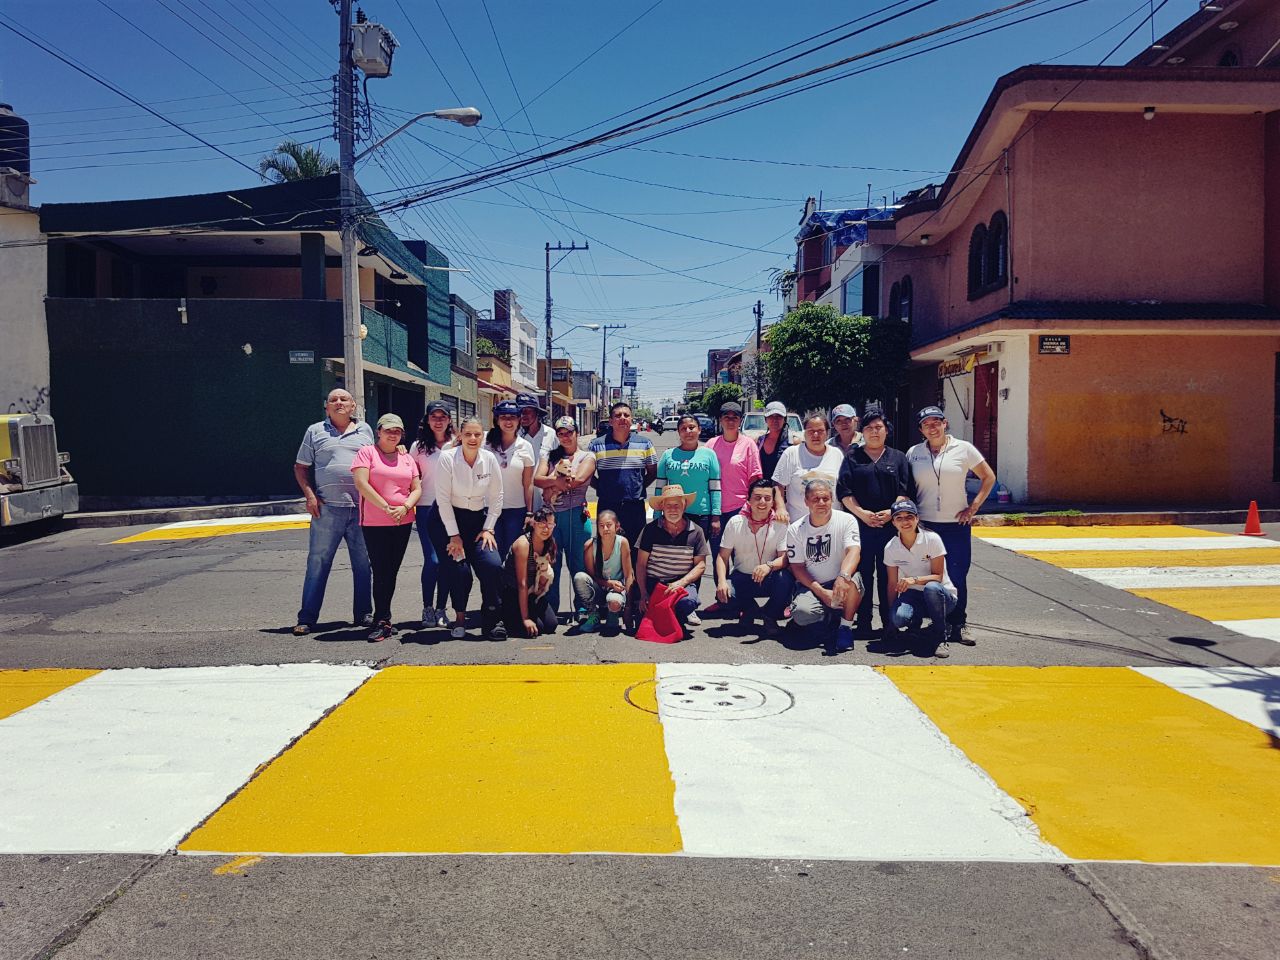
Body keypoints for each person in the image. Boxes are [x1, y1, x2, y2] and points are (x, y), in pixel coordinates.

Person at [905, 405, 997, 646]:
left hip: (956, 525)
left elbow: (988, 477)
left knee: (957, 575)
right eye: (927, 424)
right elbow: (906, 489)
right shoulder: (913, 453)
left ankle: (959, 623)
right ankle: (937, 622)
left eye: (937, 422)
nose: (932, 427)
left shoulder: (963, 449)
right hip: (925, 525)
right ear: (920, 429)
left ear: (945, 424)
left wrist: (973, 508)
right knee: (928, 576)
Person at [292, 388, 375, 636]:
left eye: (344, 399)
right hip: (327, 509)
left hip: (361, 509)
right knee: (318, 563)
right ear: (326, 407)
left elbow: (377, 461)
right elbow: (300, 467)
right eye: (333, 400)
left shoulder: (366, 431)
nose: (339, 402)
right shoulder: (314, 431)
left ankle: (363, 614)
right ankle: (307, 618)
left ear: (353, 406)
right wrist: (310, 496)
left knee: (363, 564)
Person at [837, 406, 915, 640]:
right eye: (869, 428)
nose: (874, 432)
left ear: (886, 431)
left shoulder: (898, 458)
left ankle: (889, 622)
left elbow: (906, 489)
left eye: (878, 427)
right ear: (863, 432)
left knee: (888, 575)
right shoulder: (852, 457)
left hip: (891, 528)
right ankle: (863, 622)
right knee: (862, 574)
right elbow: (844, 491)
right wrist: (862, 514)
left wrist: (892, 512)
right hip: (860, 527)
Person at [350, 414, 422, 641]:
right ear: (378, 431)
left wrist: (406, 506)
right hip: (375, 522)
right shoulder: (367, 453)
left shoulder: (407, 457)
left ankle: (385, 618)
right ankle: (381, 619)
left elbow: (417, 488)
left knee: (391, 572)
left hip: (402, 521)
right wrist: (387, 507)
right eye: (389, 430)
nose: (393, 434)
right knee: (381, 571)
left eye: (397, 431)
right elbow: (361, 483)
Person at [436, 415, 506, 640]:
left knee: (492, 565)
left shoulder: (489, 459)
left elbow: (497, 496)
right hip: (450, 522)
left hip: (479, 522)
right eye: (468, 434)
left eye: (478, 434)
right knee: (460, 571)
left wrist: (488, 528)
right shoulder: (447, 458)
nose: (473, 438)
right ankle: (459, 618)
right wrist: (454, 535)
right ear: (460, 436)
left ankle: (493, 619)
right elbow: (443, 499)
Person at [785, 478, 863, 654]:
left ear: (832, 499)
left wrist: (843, 577)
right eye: (815, 499)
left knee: (852, 580)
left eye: (825, 499)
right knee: (803, 614)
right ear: (806, 502)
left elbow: (854, 551)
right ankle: (826, 617)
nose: (821, 503)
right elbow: (797, 568)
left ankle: (845, 627)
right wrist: (821, 592)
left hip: (840, 580)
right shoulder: (796, 529)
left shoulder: (846, 520)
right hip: (813, 584)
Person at [533, 417, 597, 622]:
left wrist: (550, 486)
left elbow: (576, 480)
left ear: (577, 433)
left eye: (569, 432)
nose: (565, 437)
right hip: (551, 519)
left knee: (579, 564)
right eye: (560, 433)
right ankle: (550, 608)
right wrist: (555, 482)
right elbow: (536, 479)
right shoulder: (551, 456)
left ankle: (583, 608)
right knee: (551, 563)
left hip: (576, 516)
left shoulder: (587, 456)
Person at [714, 478, 791, 639]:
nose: (762, 502)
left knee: (786, 579)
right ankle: (750, 611)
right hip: (742, 578)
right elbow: (722, 556)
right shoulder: (735, 522)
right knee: (724, 593)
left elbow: (784, 559)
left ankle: (769, 615)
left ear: (773, 502)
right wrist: (721, 581)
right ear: (748, 500)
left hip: (768, 577)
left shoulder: (780, 524)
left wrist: (768, 566)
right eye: (757, 497)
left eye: (767, 498)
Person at [883, 499, 958, 658]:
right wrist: (891, 620)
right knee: (899, 618)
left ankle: (940, 635)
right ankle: (915, 628)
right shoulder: (890, 547)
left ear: (917, 518)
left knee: (931, 588)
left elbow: (938, 577)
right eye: (899, 518)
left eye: (909, 516)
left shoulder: (932, 539)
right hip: (914, 595)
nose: (905, 521)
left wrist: (914, 579)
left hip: (942, 596)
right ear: (894, 522)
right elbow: (891, 584)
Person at [636, 484, 710, 637]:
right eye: (668, 505)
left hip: (680, 584)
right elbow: (641, 564)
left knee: (688, 602)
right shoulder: (650, 529)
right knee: (643, 622)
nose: (673, 509)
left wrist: (680, 583)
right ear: (662, 507)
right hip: (654, 583)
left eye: (677, 505)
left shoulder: (696, 531)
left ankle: (678, 615)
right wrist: (643, 593)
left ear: (684, 506)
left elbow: (701, 565)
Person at [409, 400, 455, 630]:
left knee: (447, 561)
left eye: (443, 416)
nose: (438, 421)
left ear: (449, 419)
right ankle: (427, 607)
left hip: (452, 508)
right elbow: (411, 477)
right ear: (427, 420)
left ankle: (441, 609)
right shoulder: (417, 447)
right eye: (434, 416)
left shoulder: (457, 444)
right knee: (433, 559)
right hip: (427, 508)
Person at [588, 401, 657, 549]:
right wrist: (601, 487)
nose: (622, 418)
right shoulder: (596, 445)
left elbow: (652, 472)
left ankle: (632, 573)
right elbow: (588, 475)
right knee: (606, 548)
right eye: (618, 415)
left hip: (635, 506)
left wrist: (637, 487)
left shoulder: (645, 444)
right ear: (611, 421)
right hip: (607, 505)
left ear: (631, 419)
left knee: (636, 548)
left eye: (626, 415)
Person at [654, 414, 722, 542]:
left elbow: (715, 489)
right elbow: (659, 488)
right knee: (678, 556)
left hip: (702, 514)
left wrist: (716, 516)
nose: (688, 431)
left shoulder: (709, 454)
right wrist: (657, 515)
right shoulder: (668, 455)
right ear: (678, 432)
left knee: (697, 555)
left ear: (699, 429)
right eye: (683, 428)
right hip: (674, 514)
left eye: (691, 427)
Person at [706, 400, 762, 551]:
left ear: (740, 420)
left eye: (735, 417)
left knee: (740, 557)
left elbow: (755, 479)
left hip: (739, 509)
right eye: (726, 417)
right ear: (720, 420)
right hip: (715, 510)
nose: (730, 421)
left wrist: (751, 508)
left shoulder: (749, 444)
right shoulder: (711, 445)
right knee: (718, 556)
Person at [771, 412, 845, 525]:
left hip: (832, 524)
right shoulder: (791, 453)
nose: (815, 435)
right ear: (804, 433)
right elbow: (778, 484)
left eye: (820, 431)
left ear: (827, 433)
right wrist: (780, 508)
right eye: (811, 431)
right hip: (799, 525)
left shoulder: (837, 454)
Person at [485, 400, 536, 557]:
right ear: (497, 419)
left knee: (511, 557)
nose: (508, 421)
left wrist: (529, 512)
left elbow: (528, 483)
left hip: (515, 511)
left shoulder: (525, 446)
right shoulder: (485, 442)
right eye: (503, 417)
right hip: (488, 509)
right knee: (491, 559)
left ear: (519, 420)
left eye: (512, 417)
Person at [499, 506, 560, 638]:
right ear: (533, 524)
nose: (546, 529)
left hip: (532, 592)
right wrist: (525, 619)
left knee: (551, 625)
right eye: (542, 524)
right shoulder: (523, 544)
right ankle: (507, 617)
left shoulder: (549, 542)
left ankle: (526, 614)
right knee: (537, 628)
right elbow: (522, 583)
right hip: (514, 591)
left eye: (550, 524)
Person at [573, 508, 634, 634]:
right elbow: (591, 576)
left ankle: (614, 614)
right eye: (601, 526)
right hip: (600, 587)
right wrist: (608, 583)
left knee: (614, 604)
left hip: (616, 589)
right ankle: (593, 614)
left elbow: (629, 575)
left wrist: (628, 607)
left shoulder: (622, 543)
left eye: (609, 525)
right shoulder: (590, 545)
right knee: (580, 577)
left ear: (617, 526)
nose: (605, 529)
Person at [517, 393, 556, 510]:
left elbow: (558, 462)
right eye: (520, 411)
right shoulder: (513, 435)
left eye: (528, 411)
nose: (523, 415)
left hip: (543, 498)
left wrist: (551, 488)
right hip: (519, 499)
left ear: (537, 413)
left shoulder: (550, 434)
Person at [757, 400, 793, 494]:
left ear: (784, 419)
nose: (774, 420)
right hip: (764, 494)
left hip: (784, 496)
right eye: (771, 416)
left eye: (779, 416)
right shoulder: (759, 442)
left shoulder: (792, 442)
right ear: (765, 419)